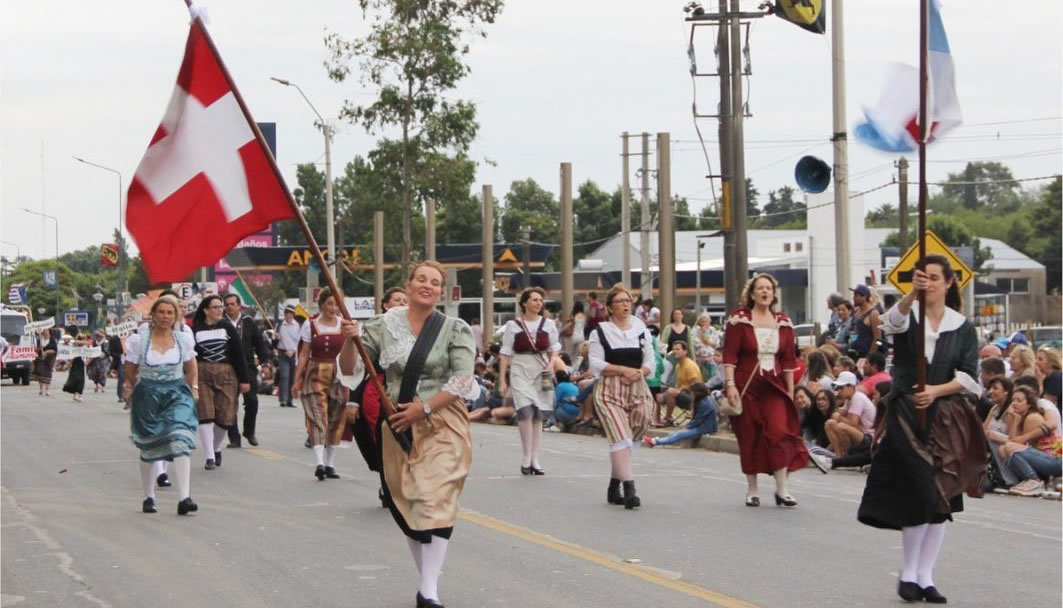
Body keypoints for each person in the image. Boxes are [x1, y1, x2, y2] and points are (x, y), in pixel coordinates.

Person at [338, 260, 478, 608]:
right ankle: (426, 584)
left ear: (441, 291)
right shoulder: (382, 326)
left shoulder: (454, 328)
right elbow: (349, 370)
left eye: (434, 282)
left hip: (444, 419)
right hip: (399, 423)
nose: (427, 286)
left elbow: (462, 380)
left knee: (438, 497)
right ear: (410, 283)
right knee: (412, 505)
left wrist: (425, 407)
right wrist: (349, 342)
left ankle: (429, 590)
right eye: (421, 279)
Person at [857, 256, 985, 604]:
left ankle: (925, 576)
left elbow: (970, 376)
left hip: (946, 419)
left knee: (940, 496)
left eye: (933, 278)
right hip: (905, 413)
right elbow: (887, 323)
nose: (927, 283)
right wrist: (911, 294)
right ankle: (909, 572)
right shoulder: (908, 314)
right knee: (918, 491)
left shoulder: (963, 327)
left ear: (949, 282)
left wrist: (937, 391)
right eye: (921, 277)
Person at [722, 273, 809, 508]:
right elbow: (729, 356)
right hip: (746, 386)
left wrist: (790, 392)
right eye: (760, 288)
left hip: (775, 386)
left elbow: (789, 361)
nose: (764, 292)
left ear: (774, 294)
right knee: (749, 435)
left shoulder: (783, 322)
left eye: (768, 289)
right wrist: (730, 385)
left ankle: (782, 489)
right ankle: (752, 489)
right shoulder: (739, 320)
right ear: (751, 293)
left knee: (780, 431)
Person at [123, 295, 199, 515]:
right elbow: (130, 369)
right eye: (162, 312)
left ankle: (185, 497)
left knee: (181, 438)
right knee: (148, 444)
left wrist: (190, 389)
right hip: (148, 393)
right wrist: (131, 387)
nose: (166, 317)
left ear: (176, 316)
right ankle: (148, 496)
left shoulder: (183, 339)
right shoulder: (140, 339)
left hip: (176, 393)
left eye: (170, 313)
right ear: (153, 315)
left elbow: (191, 368)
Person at [588, 283, 655, 509]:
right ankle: (630, 488)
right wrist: (621, 370)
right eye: (620, 301)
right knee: (620, 436)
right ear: (610, 307)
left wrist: (638, 372)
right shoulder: (600, 332)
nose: (625, 305)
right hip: (610, 388)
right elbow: (595, 362)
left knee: (638, 428)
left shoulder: (641, 330)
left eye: (628, 301)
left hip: (637, 386)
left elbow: (650, 361)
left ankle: (614, 483)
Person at [498, 287, 562, 475]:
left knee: (539, 413)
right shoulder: (513, 325)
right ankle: (526, 456)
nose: (538, 303)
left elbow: (554, 347)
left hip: (542, 369)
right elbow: (505, 353)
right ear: (524, 303)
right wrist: (502, 379)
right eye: (534, 300)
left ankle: (535, 458)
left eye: (540, 300)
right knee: (525, 410)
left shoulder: (548, 324)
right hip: (520, 368)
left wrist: (552, 363)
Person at [293, 288, 351, 481]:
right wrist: (297, 379)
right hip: (315, 371)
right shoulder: (310, 325)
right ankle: (319, 462)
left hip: (339, 373)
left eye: (336, 304)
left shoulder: (345, 325)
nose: (333, 308)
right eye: (329, 304)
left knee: (336, 416)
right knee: (318, 417)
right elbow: (303, 354)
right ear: (322, 304)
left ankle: (330, 463)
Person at [192, 295, 250, 471]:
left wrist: (244, 379)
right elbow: (190, 355)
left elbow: (239, 353)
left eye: (220, 307)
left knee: (226, 417)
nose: (219, 310)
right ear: (206, 310)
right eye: (215, 307)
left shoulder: (227, 327)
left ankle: (216, 447)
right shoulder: (196, 329)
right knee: (205, 414)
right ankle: (209, 455)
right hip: (202, 373)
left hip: (226, 373)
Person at [222, 293, 272, 447]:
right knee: (229, 405)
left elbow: (260, 344)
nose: (230, 307)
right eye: (227, 304)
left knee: (252, 401)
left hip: (247, 367)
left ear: (239, 306)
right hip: (228, 369)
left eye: (232, 304)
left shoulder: (248, 322)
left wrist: (265, 363)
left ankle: (249, 431)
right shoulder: (221, 323)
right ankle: (234, 438)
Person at [1001, 387, 1062, 496]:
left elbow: (1016, 445)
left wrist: (1015, 422)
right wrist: (1014, 419)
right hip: (1042, 460)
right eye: (1013, 401)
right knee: (1003, 449)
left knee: (1008, 447)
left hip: (1055, 461)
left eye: (1019, 401)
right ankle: (1027, 480)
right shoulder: (1021, 418)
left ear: (1029, 404)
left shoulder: (1032, 417)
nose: (1014, 404)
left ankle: (1034, 481)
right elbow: (1012, 442)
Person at [644, 382, 717, 447]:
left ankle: (655, 442)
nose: (691, 394)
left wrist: (687, 427)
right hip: (702, 427)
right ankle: (658, 440)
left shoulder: (704, 404)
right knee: (676, 433)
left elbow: (697, 420)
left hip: (705, 429)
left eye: (692, 392)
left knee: (679, 435)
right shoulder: (705, 400)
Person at [824, 371, 876, 458]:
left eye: (841, 388)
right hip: (860, 432)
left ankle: (847, 456)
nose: (839, 391)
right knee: (829, 423)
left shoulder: (857, 397)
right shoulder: (849, 398)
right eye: (838, 388)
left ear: (850, 386)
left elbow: (853, 423)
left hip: (869, 437)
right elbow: (840, 413)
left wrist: (838, 416)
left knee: (841, 426)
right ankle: (839, 456)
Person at [654, 341, 702, 427]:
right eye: (673, 349)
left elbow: (697, 387)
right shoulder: (678, 366)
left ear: (685, 351)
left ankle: (668, 418)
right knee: (657, 393)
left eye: (678, 349)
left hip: (694, 398)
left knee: (671, 392)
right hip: (680, 395)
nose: (675, 351)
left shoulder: (690, 365)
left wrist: (681, 389)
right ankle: (657, 420)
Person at [276, 306, 301, 408]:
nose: (288, 315)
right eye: (286, 313)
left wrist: (293, 350)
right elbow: (274, 340)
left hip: (293, 353)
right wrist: (276, 336)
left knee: (292, 377)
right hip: (283, 352)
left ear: (293, 314)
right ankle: (283, 399)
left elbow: (299, 341)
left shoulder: (297, 326)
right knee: (284, 376)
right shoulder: (280, 325)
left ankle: (290, 400)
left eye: (290, 313)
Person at [849, 284, 882, 358]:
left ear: (864, 296)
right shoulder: (856, 312)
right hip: (854, 353)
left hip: (865, 355)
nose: (853, 298)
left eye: (856, 295)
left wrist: (869, 357)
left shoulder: (873, 314)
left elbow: (877, 338)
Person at [62, 329, 88, 402]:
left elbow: (87, 344)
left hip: (81, 363)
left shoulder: (85, 346)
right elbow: (74, 344)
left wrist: (87, 361)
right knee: (76, 378)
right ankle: (76, 394)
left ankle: (78, 394)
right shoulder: (74, 345)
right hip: (75, 363)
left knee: (81, 380)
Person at [691, 313, 719, 380]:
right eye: (702, 321)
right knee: (700, 377)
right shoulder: (695, 330)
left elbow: (716, 343)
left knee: (712, 376)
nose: (704, 323)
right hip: (699, 358)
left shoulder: (712, 330)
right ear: (699, 322)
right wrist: (703, 334)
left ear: (709, 322)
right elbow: (695, 343)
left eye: (706, 321)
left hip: (711, 358)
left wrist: (708, 342)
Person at [32, 328, 57, 396]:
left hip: (50, 358)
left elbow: (55, 350)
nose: (46, 332)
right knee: (40, 373)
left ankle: (47, 389)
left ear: (49, 332)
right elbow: (37, 350)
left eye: (47, 330)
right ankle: (41, 388)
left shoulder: (52, 340)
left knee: (48, 373)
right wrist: (39, 348)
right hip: (41, 357)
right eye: (44, 330)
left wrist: (47, 351)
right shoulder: (40, 339)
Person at [108, 325, 125, 403]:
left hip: (131, 360)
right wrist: (120, 355)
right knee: (121, 377)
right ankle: (121, 395)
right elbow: (111, 352)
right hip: (120, 360)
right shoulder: (113, 339)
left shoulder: (131, 338)